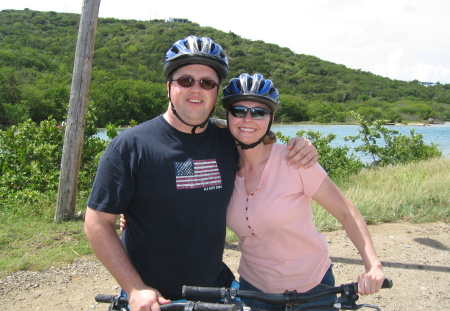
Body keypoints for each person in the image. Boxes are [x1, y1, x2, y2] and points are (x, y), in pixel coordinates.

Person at [84, 36, 318, 311]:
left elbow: (260, 138)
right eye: (185, 81)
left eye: (207, 83)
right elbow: (97, 222)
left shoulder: (226, 139)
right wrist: (135, 288)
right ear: (168, 86)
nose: (196, 89)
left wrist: (302, 145)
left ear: (216, 92)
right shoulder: (131, 146)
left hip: (217, 291)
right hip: (155, 298)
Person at [220, 73, 386, 311]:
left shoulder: (294, 161)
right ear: (227, 116)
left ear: (271, 118)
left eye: (259, 112)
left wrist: (373, 265)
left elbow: (347, 213)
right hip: (253, 291)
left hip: (312, 289)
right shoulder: (222, 164)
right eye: (238, 110)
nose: (248, 118)